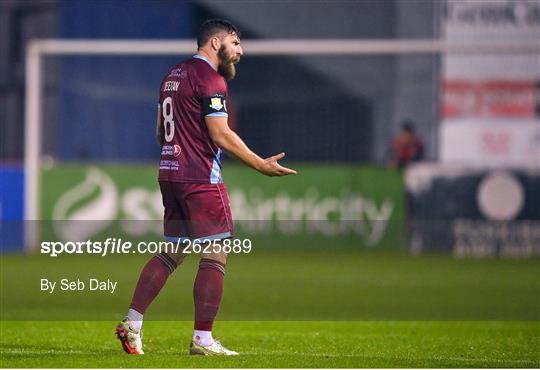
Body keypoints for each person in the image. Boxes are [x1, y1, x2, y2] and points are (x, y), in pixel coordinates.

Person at [115, 19, 296, 356]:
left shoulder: (172, 75)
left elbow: (159, 132)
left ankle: (132, 324)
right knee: (216, 251)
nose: (240, 50)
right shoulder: (210, 79)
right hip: (200, 177)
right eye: (236, 42)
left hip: (169, 172)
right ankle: (202, 339)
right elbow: (221, 134)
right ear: (215, 43)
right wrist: (260, 165)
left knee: (173, 250)